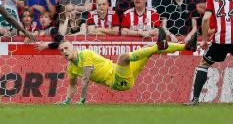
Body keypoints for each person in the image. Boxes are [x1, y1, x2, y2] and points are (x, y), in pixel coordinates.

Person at [37, 28, 197, 104]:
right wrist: (67, 100)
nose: (64, 51)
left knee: (148, 51)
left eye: (67, 48)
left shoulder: (84, 54)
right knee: (125, 58)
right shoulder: (71, 68)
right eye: (62, 50)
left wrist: (82, 100)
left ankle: (185, 47)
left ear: (74, 48)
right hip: (117, 81)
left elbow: (85, 79)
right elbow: (72, 85)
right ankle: (160, 45)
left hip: (123, 73)